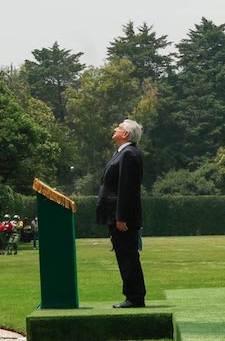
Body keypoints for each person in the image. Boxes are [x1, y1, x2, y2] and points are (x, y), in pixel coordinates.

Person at [96, 118, 146, 309]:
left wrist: (121, 217)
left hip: (123, 217)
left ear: (126, 134)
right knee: (124, 255)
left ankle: (134, 297)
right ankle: (133, 295)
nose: (114, 129)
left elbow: (127, 188)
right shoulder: (123, 153)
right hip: (118, 215)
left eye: (118, 128)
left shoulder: (128, 154)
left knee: (128, 256)